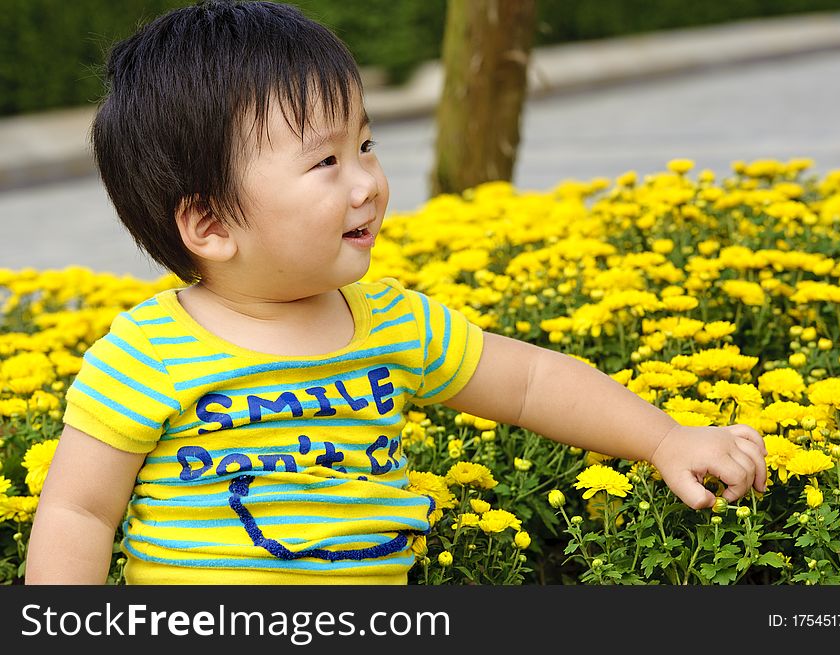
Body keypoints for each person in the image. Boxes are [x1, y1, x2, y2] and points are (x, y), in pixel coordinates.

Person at [25, 0, 767, 585]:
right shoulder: (145, 356)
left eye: (366, 146)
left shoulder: (395, 325)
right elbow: (79, 511)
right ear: (210, 223)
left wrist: (665, 438)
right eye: (326, 162)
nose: (368, 183)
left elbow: (533, 382)